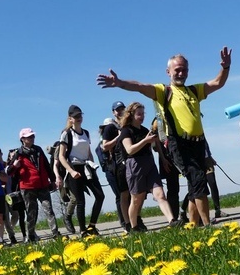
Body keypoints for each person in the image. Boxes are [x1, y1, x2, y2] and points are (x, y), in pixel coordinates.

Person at [96, 47, 232, 226]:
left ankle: (192, 226)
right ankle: (207, 227)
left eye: (184, 69)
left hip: (198, 144)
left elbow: (217, 83)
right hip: (180, 144)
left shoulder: (194, 91)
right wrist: (120, 83)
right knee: (199, 180)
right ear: (168, 72)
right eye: (177, 70)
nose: (181, 73)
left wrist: (225, 67)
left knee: (194, 186)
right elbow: (139, 86)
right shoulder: (163, 91)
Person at [118, 102, 181, 231]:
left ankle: (172, 220)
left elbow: (156, 142)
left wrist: (163, 159)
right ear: (132, 115)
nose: (142, 116)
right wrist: (145, 141)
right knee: (136, 199)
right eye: (139, 114)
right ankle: (133, 227)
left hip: (149, 163)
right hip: (135, 165)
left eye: (143, 114)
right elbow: (129, 150)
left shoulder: (145, 130)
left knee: (160, 194)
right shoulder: (126, 131)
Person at [58, 105, 106, 237]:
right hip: (74, 168)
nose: (79, 118)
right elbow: (61, 156)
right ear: (70, 119)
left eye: (80, 115)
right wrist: (71, 171)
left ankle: (92, 226)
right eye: (76, 116)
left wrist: (92, 164)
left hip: (87, 167)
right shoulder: (66, 134)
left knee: (100, 196)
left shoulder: (86, 133)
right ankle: (83, 231)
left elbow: (88, 151)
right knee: (80, 201)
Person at [9, 128, 61, 241]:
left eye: (33, 136)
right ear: (22, 139)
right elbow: (9, 171)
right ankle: (31, 235)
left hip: (42, 185)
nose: (32, 138)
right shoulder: (18, 153)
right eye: (29, 137)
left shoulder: (38, 149)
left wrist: (52, 180)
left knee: (49, 209)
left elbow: (46, 165)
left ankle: (55, 233)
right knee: (31, 213)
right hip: (27, 187)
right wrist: (15, 166)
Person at [98, 101, 128, 230]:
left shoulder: (125, 125)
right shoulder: (110, 130)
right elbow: (105, 148)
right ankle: (124, 221)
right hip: (112, 168)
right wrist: (119, 138)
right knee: (121, 194)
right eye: (117, 109)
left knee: (128, 193)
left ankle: (130, 220)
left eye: (122, 109)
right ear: (113, 112)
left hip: (124, 164)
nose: (120, 111)